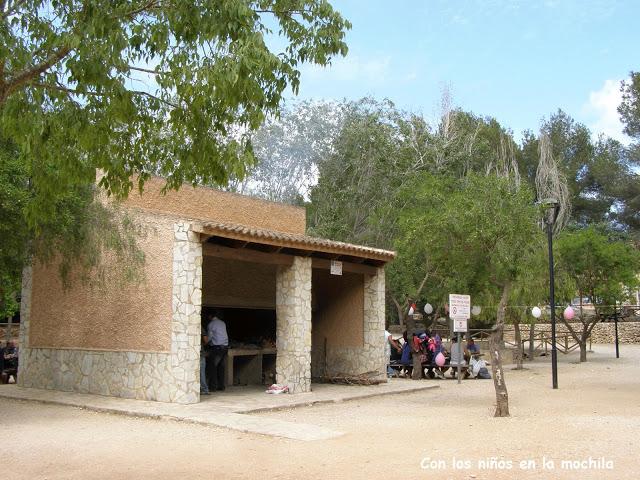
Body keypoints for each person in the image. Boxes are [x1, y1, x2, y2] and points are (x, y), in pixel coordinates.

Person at [206, 311, 228, 392]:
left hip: (217, 348)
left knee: (213, 367)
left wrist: (204, 343)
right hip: (225, 347)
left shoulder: (211, 324)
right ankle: (221, 386)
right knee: (221, 367)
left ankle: (213, 387)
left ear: (210, 316)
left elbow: (209, 338)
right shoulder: (222, 323)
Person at [200, 323, 210, 395]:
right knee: (201, 372)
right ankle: (204, 389)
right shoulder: (200, 327)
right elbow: (206, 340)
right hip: (200, 353)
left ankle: (204, 389)